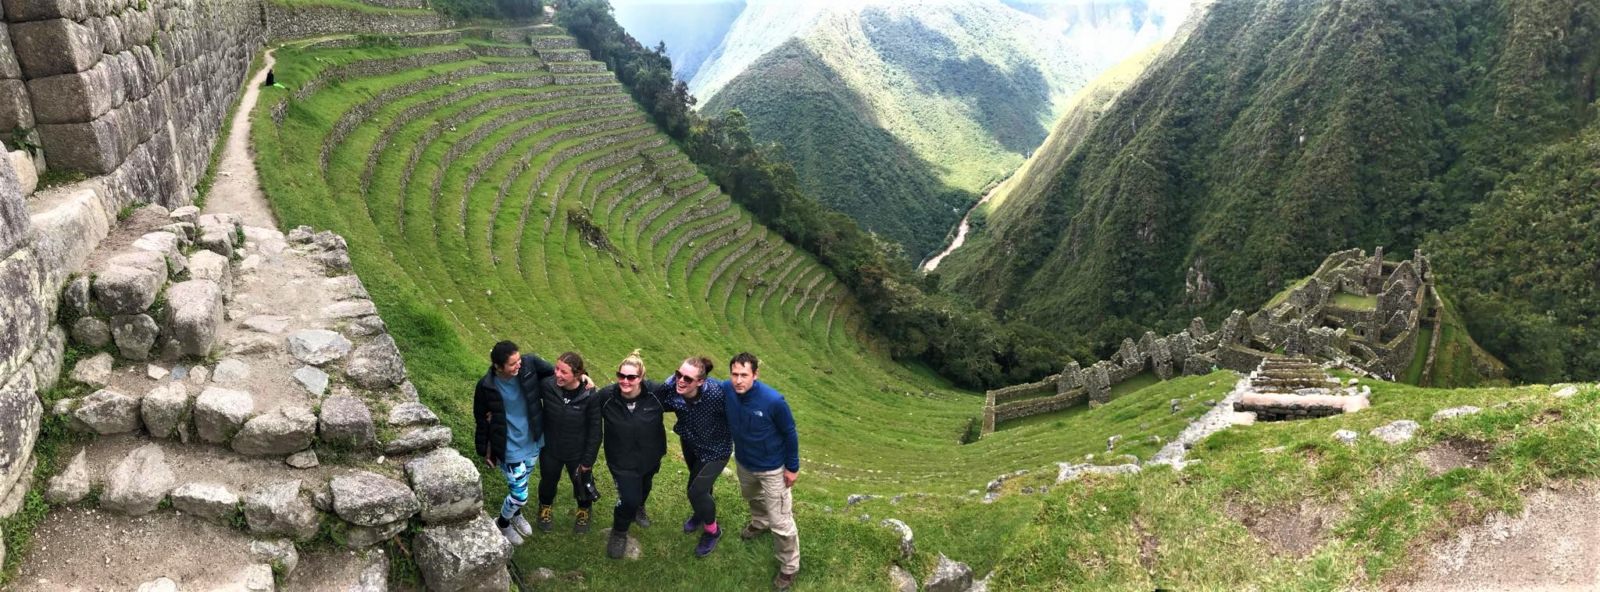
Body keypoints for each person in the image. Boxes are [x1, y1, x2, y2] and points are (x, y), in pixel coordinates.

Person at [716, 352, 801, 590]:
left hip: (773, 468)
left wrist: (792, 467)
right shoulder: (728, 390)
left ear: (755, 374)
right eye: (735, 374)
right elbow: (704, 384)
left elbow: (790, 433)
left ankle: (789, 566)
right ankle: (759, 521)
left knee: (781, 521)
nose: (738, 380)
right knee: (752, 497)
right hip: (744, 462)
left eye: (744, 375)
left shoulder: (773, 401)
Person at [473, 340, 557, 546]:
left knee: (523, 482)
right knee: (520, 494)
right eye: (512, 364)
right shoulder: (486, 386)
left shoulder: (530, 365)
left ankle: (516, 514)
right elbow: (480, 419)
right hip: (508, 446)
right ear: (498, 367)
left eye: (519, 360)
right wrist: (485, 451)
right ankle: (502, 523)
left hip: (532, 439)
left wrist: (581, 377)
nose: (518, 365)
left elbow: (557, 376)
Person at [596, 350, 668, 559]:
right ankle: (619, 532)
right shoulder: (606, 397)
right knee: (628, 498)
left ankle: (640, 508)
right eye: (621, 376)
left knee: (645, 486)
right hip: (621, 460)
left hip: (650, 456)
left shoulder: (656, 393)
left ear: (641, 378)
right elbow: (586, 407)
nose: (625, 381)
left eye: (631, 377)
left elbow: (684, 397)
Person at [661, 356, 732, 558]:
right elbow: (650, 394)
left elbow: (741, 410)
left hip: (716, 451)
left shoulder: (718, 394)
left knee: (695, 492)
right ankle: (701, 514)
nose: (681, 381)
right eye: (678, 374)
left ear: (701, 381)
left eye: (688, 379)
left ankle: (713, 531)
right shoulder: (673, 391)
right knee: (699, 486)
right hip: (690, 444)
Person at [535, 351, 603, 534]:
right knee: (548, 482)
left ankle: (584, 510)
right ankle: (545, 507)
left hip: (577, 452)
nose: (557, 374)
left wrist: (588, 461)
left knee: (581, 484)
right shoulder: (548, 385)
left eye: (563, 372)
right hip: (551, 448)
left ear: (578, 374)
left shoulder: (590, 395)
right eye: (556, 368)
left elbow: (596, 430)